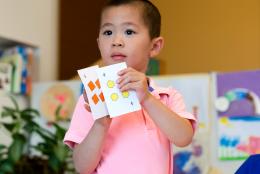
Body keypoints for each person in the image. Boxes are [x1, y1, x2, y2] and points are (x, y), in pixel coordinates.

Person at [63, 0, 196, 173]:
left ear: (154, 46)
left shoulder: (166, 96)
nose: (116, 41)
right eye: (108, 32)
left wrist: (146, 98)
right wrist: (100, 123)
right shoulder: (90, 100)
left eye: (129, 31)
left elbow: (184, 138)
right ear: (99, 44)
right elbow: (82, 167)